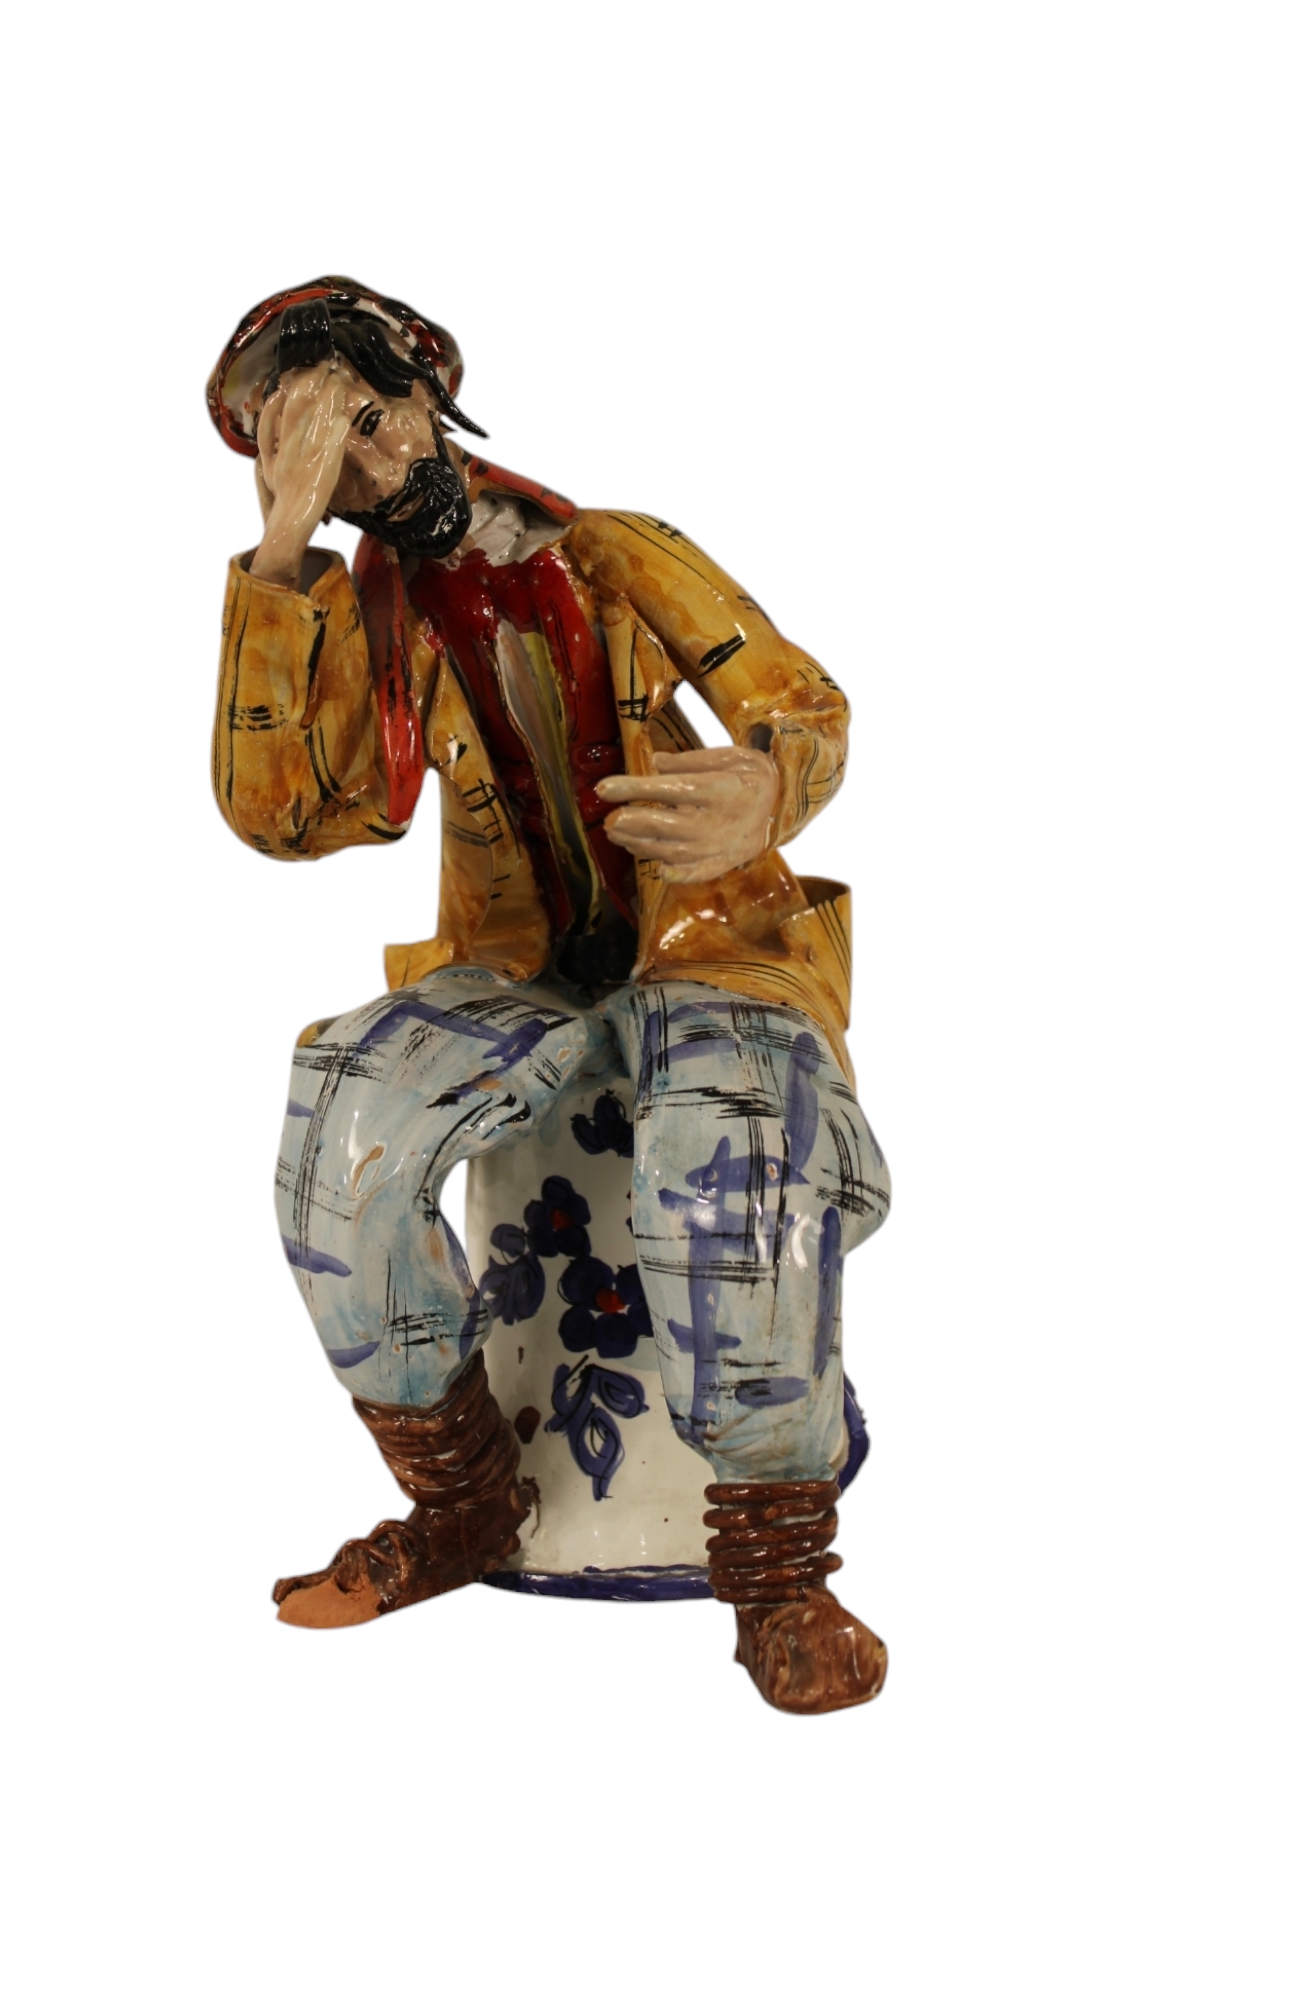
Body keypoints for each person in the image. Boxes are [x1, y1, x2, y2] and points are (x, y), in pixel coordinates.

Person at [207, 279, 892, 1712]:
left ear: (432, 397)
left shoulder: (614, 550)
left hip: (709, 944)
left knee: (723, 1144)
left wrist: (766, 787)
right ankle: (466, 1497)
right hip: (516, 964)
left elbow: (801, 702)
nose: (365, 466)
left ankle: (777, 1565)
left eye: (372, 418)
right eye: (314, 448)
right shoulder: (371, 606)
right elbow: (292, 817)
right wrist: (280, 553)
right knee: (345, 1119)